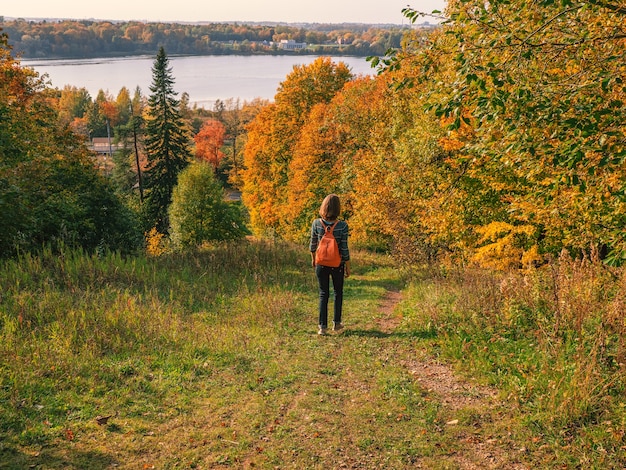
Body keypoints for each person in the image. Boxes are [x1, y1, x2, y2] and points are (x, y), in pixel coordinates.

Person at [309, 194, 351, 335]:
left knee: (323, 293)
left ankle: (322, 327)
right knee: (338, 292)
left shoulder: (316, 223)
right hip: (336, 264)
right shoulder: (342, 226)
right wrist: (347, 265)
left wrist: (314, 259)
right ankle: (337, 323)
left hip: (321, 263)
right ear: (338, 208)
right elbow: (344, 248)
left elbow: (312, 245)